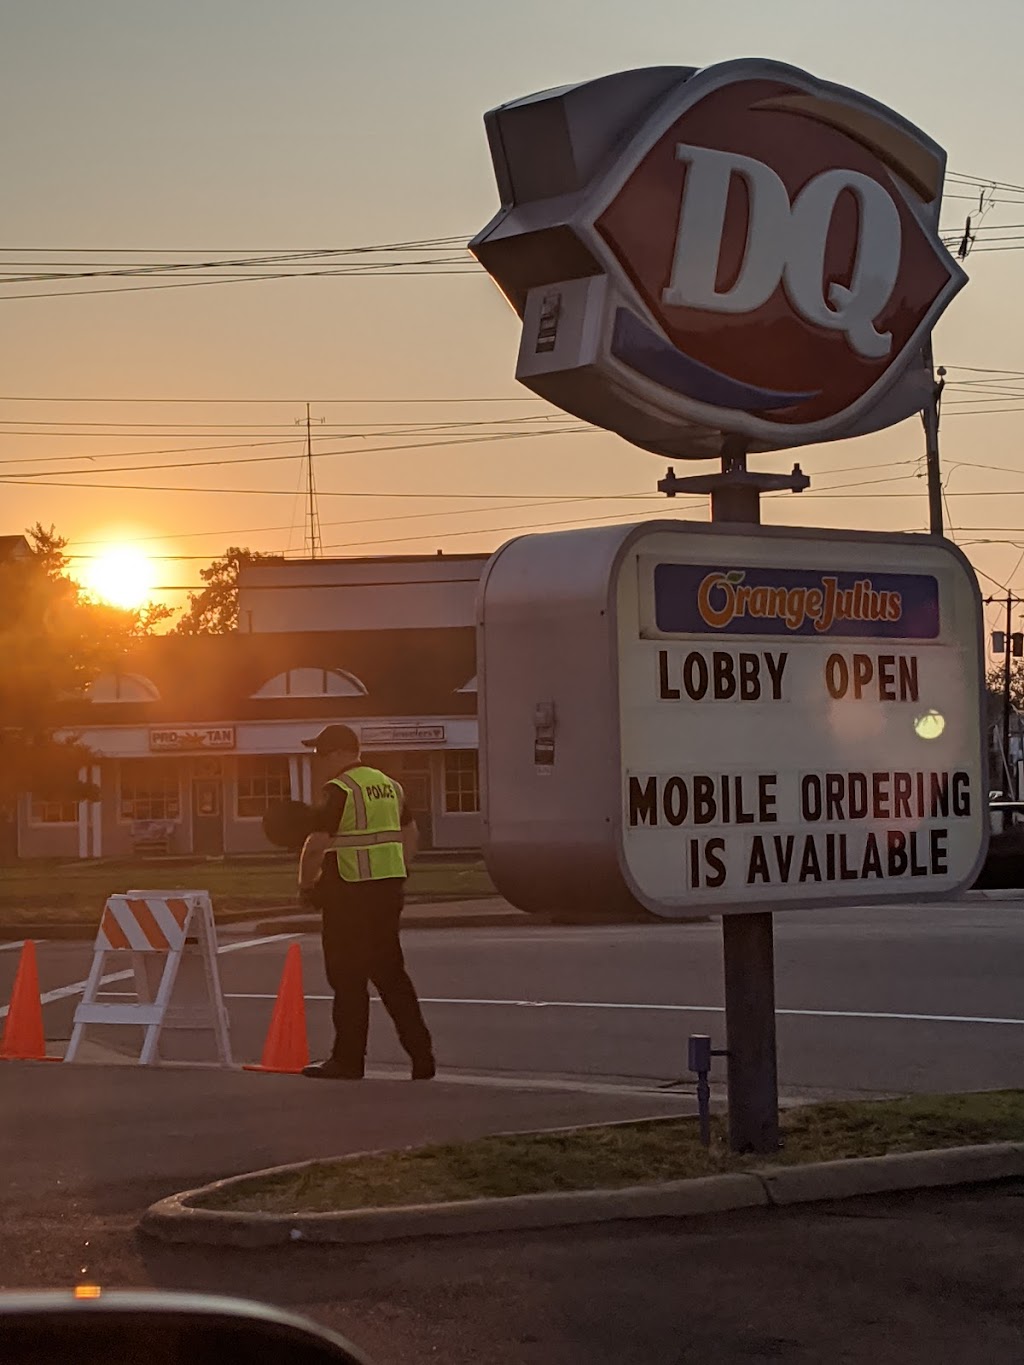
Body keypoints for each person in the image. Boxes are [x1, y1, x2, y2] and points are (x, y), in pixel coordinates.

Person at [296, 724, 435, 1081]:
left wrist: (306, 886)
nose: (319, 761)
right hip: (387, 893)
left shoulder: (339, 789)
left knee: (347, 978)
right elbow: (411, 833)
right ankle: (422, 1056)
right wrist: (400, 868)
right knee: (391, 974)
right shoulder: (389, 786)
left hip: (348, 894)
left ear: (341, 753)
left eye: (322, 754)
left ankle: (348, 1060)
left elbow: (315, 845)